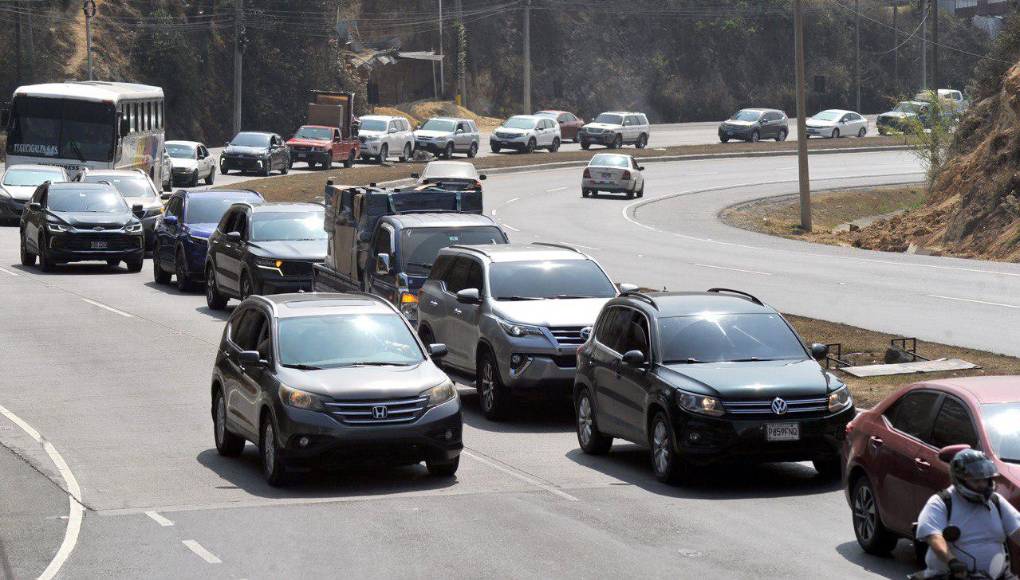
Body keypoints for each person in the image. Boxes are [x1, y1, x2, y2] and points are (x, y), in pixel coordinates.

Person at [915, 449, 1020, 579]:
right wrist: (952, 561)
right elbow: (934, 536)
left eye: (985, 480)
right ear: (960, 479)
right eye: (976, 481)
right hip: (953, 575)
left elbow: (1018, 530)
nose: (982, 485)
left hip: (998, 575)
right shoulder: (942, 502)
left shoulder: (996, 501)